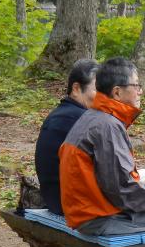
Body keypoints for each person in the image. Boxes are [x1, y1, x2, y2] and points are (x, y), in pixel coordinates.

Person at [59, 57, 145, 236]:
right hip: (98, 218)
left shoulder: (93, 117)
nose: (140, 92)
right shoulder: (107, 126)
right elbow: (122, 189)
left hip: (89, 211)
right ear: (117, 92)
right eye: (136, 86)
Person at [34, 59, 99, 214]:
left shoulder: (65, 114)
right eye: (97, 90)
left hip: (58, 199)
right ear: (76, 88)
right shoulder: (75, 119)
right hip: (72, 204)